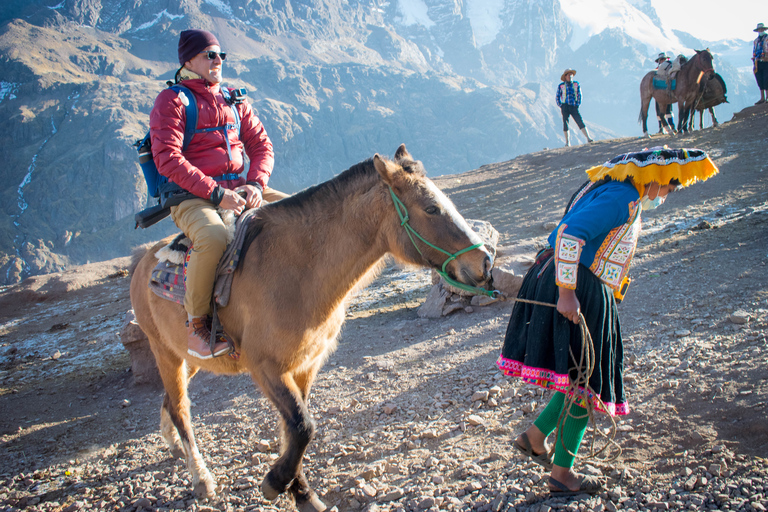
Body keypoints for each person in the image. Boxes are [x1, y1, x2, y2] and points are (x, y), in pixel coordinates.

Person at [497, 148, 718, 495]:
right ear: (657, 179)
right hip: (576, 284)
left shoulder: (611, 189)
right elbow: (571, 236)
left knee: (578, 376)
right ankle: (562, 474)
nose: (667, 196)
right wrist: (567, 292)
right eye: (670, 189)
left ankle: (535, 437)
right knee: (587, 383)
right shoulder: (623, 196)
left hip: (574, 280)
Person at [150, 29, 288, 359]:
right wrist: (215, 194)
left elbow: (262, 146)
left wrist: (255, 184)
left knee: (301, 214)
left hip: (239, 188)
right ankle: (197, 326)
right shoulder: (171, 102)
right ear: (189, 61)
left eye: (221, 55)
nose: (218, 61)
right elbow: (167, 158)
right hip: (191, 197)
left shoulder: (233, 100)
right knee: (212, 237)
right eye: (210, 55)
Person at [555, 69, 593, 147]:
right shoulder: (561, 86)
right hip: (565, 106)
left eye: (571, 74)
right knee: (565, 123)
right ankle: (567, 142)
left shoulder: (576, 84)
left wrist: (577, 104)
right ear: (565, 76)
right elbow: (557, 96)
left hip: (573, 106)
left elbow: (579, 94)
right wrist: (561, 105)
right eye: (568, 74)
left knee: (579, 121)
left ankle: (588, 138)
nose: (570, 76)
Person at [653, 52, 675, 133]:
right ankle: (661, 128)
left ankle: (672, 126)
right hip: (658, 93)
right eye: (661, 59)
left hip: (667, 92)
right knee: (659, 111)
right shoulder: (656, 71)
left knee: (668, 110)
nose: (663, 61)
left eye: (664, 59)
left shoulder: (670, 70)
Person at [752, 23, 768, 104]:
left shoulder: (767, 38)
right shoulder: (756, 41)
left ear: (764, 29)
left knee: (766, 79)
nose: (760, 31)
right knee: (760, 80)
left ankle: (767, 97)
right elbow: (754, 51)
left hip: (766, 61)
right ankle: (762, 98)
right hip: (758, 62)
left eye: (762, 29)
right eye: (759, 29)